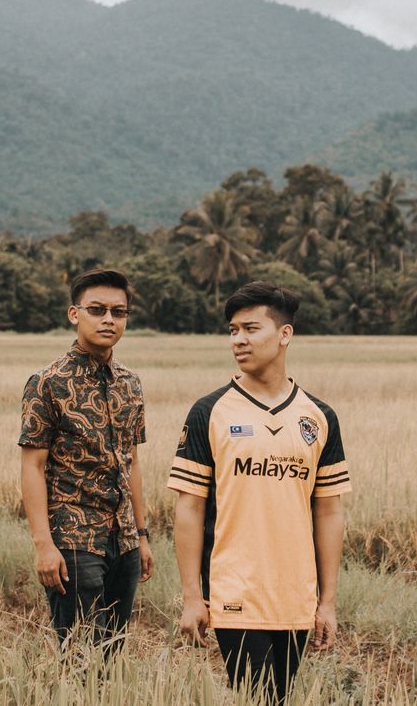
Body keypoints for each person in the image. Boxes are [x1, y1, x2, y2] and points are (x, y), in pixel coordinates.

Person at [169, 281, 352, 702]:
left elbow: (329, 512)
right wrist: (192, 597)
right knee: (257, 696)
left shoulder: (318, 417)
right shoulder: (209, 411)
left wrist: (328, 602)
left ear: (284, 335)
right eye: (233, 330)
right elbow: (190, 508)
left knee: (279, 697)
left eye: (250, 329)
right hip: (235, 591)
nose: (238, 340)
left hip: (296, 596)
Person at [19, 268, 153, 649]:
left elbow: (133, 462)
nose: (109, 319)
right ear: (74, 314)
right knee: (79, 653)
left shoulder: (131, 382)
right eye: (97, 309)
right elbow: (33, 467)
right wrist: (43, 545)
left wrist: (141, 536)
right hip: (73, 539)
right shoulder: (48, 382)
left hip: (123, 538)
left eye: (119, 311)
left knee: (112, 649)